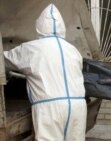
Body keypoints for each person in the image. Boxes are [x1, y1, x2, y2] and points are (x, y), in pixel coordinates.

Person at [4, 4, 87, 140]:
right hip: (77, 106)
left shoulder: (31, 49)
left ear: (40, 25)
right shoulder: (73, 50)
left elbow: (4, 61)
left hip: (50, 108)